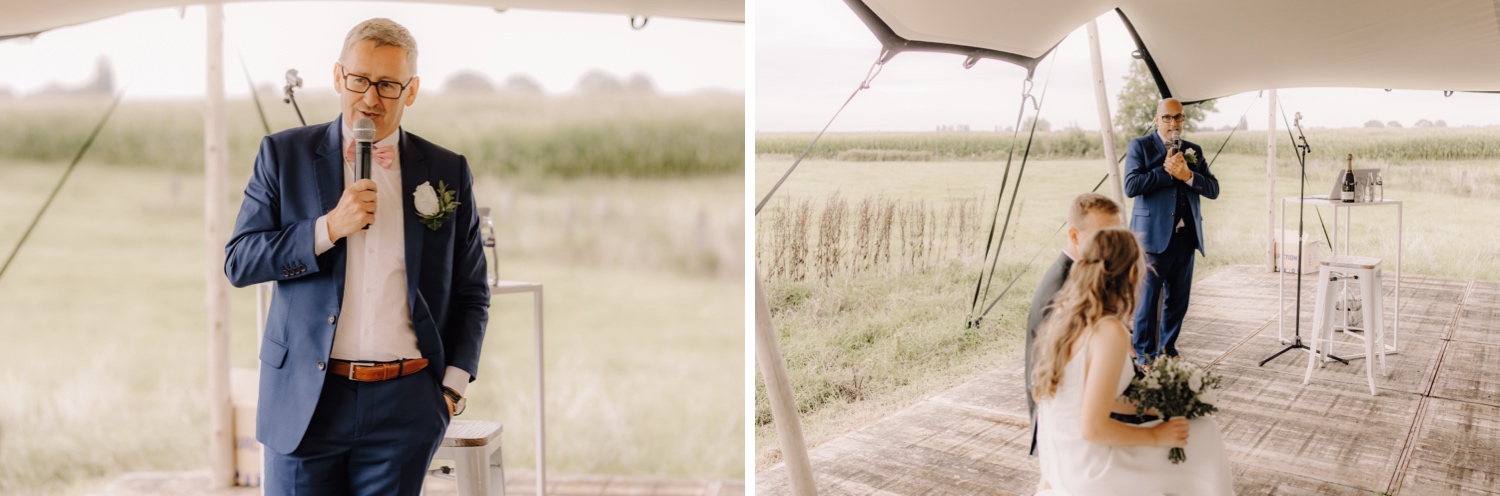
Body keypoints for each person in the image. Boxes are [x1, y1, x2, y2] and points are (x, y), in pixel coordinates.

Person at [224, 18, 489, 495]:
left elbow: (473, 290)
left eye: (388, 85)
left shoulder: (447, 171)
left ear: (411, 91)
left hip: (406, 404)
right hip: (305, 400)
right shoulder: (283, 155)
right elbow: (240, 261)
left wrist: (451, 389)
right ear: (337, 76)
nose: (370, 98)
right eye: (360, 80)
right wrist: (327, 229)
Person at [1032, 228, 1233, 495]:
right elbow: (1093, 427)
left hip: (1062, 460)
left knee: (1199, 431)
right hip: (1093, 467)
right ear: (1130, 275)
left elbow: (1093, 397)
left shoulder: (1065, 318)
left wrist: (1159, 407)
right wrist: (1155, 436)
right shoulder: (1109, 331)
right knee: (1204, 435)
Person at [1124, 98, 1220, 366]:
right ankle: (1144, 355)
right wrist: (1168, 172)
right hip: (1151, 239)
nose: (1173, 123)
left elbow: (1213, 189)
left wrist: (1188, 175)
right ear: (1157, 119)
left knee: (1178, 301)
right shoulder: (1140, 146)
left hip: (1185, 238)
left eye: (1178, 117)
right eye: (1167, 117)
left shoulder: (1194, 150)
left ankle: (1168, 349)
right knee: (1146, 301)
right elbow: (1131, 186)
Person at [1024, 193, 1122, 458]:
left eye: (1118, 236)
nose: (1114, 246)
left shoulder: (1086, 274)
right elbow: (1059, 381)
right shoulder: (1060, 293)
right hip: (1064, 432)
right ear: (1075, 235)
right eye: (1104, 237)